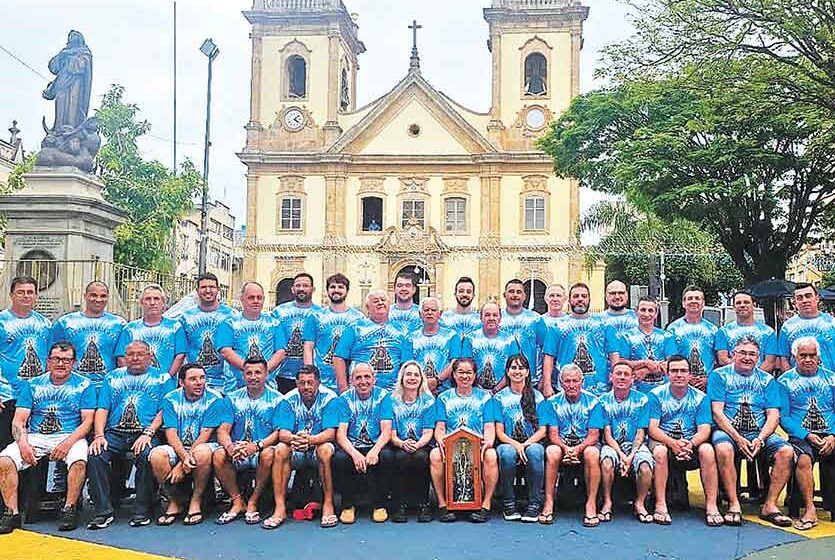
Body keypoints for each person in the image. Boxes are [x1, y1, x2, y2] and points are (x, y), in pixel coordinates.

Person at [0, 341, 95, 534]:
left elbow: (87, 422)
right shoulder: (32, 384)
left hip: (70, 434)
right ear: (48, 361)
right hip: (37, 435)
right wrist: (23, 444)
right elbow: (19, 420)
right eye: (56, 359)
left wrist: (67, 444)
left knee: (79, 461)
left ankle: (69, 508)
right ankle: (12, 512)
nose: (61, 364)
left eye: (66, 360)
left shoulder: (85, 385)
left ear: (74, 363)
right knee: (4, 460)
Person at [86, 341, 173, 529]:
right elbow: (103, 408)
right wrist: (99, 435)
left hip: (145, 432)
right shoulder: (112, 378)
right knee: (95, 455)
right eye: (130, 354)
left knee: (146, 456)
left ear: (150, 356)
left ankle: (143, 509)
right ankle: (103, 511)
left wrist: (148, 433)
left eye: (140, 354)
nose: (135, 358)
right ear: (124, 357)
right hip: (115, 432)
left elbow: (165, 409)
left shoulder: (163, 378)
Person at [709, 336, 794, 528]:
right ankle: (733, 503)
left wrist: (761, 438)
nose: (747, 358)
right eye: (743, 353)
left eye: (752, 354)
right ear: (733, 354)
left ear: (758, 357)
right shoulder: (719, 375)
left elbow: (773, 415)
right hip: (728, 431)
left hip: (759, 432)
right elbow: (717, 412)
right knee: (723, 449)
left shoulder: (767, 380)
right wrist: (738, 438)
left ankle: (770, 505)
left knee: (786, 451)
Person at [647, 355, 722, 526]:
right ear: (667, 374)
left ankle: (711, 505)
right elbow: (653, 428)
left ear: (690, 375)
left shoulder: (701, 398)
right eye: (674, 371)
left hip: (690, 444)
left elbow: (704, 430)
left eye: (683, 371)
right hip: (664, 442)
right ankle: (660, 504)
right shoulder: (656, 395)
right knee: (659, 451)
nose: (679, 375)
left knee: (707, 451)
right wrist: (672, 443)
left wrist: (690, 444)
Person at [149, 363, 225, 526]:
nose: (199, 382)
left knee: (202, 453)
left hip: (205, 445)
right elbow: (171, 432)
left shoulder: (215, 398)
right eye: (193, 379)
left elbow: (206, 434)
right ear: (182, 382)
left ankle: (195, 501)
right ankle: (174, 501)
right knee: (157, 455)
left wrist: (182, 463)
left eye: (202, 378)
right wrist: (183, 457)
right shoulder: (170, 399)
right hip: (179, 446)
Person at [213, 358, 282, 526]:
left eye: (258, 372)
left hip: (261, 448)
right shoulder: (231, 399)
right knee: (218, 454)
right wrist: (230, 447)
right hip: (238, 450)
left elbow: (279, 432)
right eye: (248, 373)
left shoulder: (278, 400)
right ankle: (237, 501)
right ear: (243, 376)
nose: (253, 377)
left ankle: (253, 501)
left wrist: (257, 446)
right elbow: (222, 430)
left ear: (266, 374)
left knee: (269, 453)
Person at [776, 337, 835, 531]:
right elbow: (783, 417)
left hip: (830, 433)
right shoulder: (784, 381)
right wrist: (806, 435)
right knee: (803, 459)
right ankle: (809, 509)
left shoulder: (832, 379)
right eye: (803, 356)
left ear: (819, 357)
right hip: (801, 436)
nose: (808, 359)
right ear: (794, 357)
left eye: (812, 355)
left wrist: (833, 435)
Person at [271, 364, 340, 529]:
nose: (306, 387)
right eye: (302, 383)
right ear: (296, 383)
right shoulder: (288, 399)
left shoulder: (330, 398)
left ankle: (328, 504)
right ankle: (279, 508)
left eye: (310, 382)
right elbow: (283, 433)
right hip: (297, 447)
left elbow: (331, 433)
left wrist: (310, 440)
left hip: (319, 446)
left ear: (318, 383)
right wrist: (296, 439)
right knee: (280, 449)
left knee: (325, 449)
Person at [430, 358, 498, 523]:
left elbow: (489, 428)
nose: (465, 376)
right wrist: (441, 441)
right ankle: (443, 505)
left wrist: (487, 443)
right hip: (451, 444)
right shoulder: (443, 398)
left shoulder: (485, 398)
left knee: (491, 455)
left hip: (478, 445)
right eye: (461, 372)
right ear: (453, 374)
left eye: (469, 372)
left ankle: (485, 504)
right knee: (434, 454)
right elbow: (440, 427)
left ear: (475, 375)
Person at [540, 364, 606, 527]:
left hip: (585, 445)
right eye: (567, 381)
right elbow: (553, 434)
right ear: (561, 383)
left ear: (582, 382)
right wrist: (566, 449)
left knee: (592, 453)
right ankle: (549, 502)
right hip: (561, 445)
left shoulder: (594, 402)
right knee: (552, 451)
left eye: (575, 381)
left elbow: (594, 435)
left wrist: (577, 449)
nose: (571, 385)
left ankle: (590, 504)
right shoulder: (552, 403)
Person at [332, 363, 393, 524]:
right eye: (358, 377)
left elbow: (386, 431)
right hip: (352, 445)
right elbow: (341, 435)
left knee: (386, 456)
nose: (363, 381)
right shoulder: (344, 399)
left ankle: (380, 505)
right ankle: (348, 506)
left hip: (375, 444)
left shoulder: (384, 396)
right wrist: (354, 453)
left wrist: (374, 450)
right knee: (340, 458)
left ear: (374, 379)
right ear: (351, 380)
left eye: (367, 377)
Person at [493, 354, 547, 523]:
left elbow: (543, 430)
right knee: (507, 454)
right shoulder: (499, 398)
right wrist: (517, 445)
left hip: (532, 441)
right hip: (507, 442)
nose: (517, 371)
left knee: (536, 452)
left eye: (521, 368)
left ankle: (535, 503)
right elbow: (499, 433)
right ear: (507, 372)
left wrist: (525, 444)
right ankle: (508, 502)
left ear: (527, 372)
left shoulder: (538, 397)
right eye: (513, 368)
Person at [597, 362, 653, 523]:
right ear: (611, 377)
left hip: (635, 444)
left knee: (645, 465)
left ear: (632, 379)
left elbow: (641, 432)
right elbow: (607, 435)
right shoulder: (603, 401)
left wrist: (631, 456)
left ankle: (640, 503)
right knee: (607, 462)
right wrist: (622, 456)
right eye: (618, 373)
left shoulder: (642, 400)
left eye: (626, 374)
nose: (622, 377)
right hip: (612, 444)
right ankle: (607, 501)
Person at [0, 276, 52, 450]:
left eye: (30, 292)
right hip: (8, 395)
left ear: (36, 296)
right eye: (20, 292)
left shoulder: (45, 324)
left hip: (38, 396)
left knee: (37, 448)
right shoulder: (2, 322)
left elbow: (50, 359)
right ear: (11, 295)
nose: (25, 296)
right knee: (6, 449)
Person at [542, 283, 620, 397]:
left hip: (599, 390)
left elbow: (614, 354)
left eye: (584, 296)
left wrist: (616, 381)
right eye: (576, 296)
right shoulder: (556, 326)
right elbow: (549, 356)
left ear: (589, 299)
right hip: (565, 390)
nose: (580, 299)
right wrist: (547, 385)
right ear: (569, 300)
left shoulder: (604, 325)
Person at [384, 361, 435, 523]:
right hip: (398, 443)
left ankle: (423, 504)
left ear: (421, 379)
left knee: (421, 457)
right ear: (401, 378)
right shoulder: (390, 401)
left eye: (416, 375)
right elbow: (390, 433)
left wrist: (417, 444)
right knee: (400, 457)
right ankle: (400, 504)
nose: (412, 378)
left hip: (421, 443)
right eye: (408, 374)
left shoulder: (428, 401)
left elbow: (428, 432)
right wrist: (402, 443)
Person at [51, 280, 125, 390]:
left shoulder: (119, 324)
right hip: (73, 387)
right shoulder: (65, 323)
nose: (98, 299)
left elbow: (122, 360)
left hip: (107, 387)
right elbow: (53, 357)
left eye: (103, 296)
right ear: (85, 296)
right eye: (93, 295)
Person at [333, 290, 409, 392]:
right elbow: (339, 358)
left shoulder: (402, 331)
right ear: (367, 307)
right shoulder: (355, 328)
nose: (380, 303)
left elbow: (407, 364)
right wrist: (343, 388)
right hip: (359, 391)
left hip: (392, 392)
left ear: (389, 304)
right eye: (375, 301)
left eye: (383, 300)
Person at [215, 282, 285, 391]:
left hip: (267, 388)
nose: (256, 301)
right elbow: (225, 351)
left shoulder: (275, 324)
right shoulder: (228, 324)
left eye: (259, 297)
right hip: (235, 388)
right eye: (251, 298)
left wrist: (263, 371)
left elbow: (280, 352)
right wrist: (250, 370)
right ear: (242, 299)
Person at [302, 273, 363, 393]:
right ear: (327, 290)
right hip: (322, 379)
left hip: (349, 379)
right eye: (333, 287)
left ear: (347, 291)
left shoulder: (358, 318)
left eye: (340, 287)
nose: (336, 290)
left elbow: (360, 350)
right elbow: (308, 347)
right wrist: (310, 374)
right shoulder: (316, 316)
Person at [179, 272, 238, 393]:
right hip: (195, 382)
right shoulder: (186, 318)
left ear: (218, 290)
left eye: (211, 287)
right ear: (197, 290)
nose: (208, 290)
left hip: (225, 384)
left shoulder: (232, 316)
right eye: (203, 287)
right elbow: (181, 351)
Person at [115, 284, 186, 378]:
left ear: (163, 302)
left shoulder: (175, 327)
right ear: (141, 302)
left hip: (167, 385)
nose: (152, 303)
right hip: (137, 385)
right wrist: (133, 378)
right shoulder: (130, 329)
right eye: (148, 299)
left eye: (156, 299)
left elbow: (180, 355)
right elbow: (121, 357)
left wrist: (167, 377)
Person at [273, 272, 322, 394]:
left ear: (313, 289)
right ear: (292, 289)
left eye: (305, 285)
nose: (301, 288)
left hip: (309, 378)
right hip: (282, 375)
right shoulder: (278, 312)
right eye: (298, 285)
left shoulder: (321, 314)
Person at [620, 297, 676, 393]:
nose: (646, 314)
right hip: (635, 391)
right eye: (643, 310)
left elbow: (672, 364)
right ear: (636, 312)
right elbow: (622, 362)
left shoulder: (666, 336)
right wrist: (645, 363)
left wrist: (646, 371)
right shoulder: (626, 336)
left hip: (663, 392)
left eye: (650, 310)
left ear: (655, 314)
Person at [666, 285, 717, 390]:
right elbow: (670, 358)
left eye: (697, 298)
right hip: (680, 384)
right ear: (683, 303)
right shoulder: (672, 329)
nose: (693, 301)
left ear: (703, 303)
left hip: (707, 385)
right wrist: (686, 377)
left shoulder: (713, 330)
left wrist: (708, 379)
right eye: (690, 298)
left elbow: (719, 359)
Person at [407, 297, 461, 393]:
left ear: (440, 314)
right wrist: (422, 384)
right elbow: (407, 365)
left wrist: (437, 380)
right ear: (420, 314)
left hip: (445, 391)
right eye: (426, 310)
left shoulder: (451, 336)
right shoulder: (410, 338)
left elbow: (454, 362)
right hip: (418, 391)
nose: (430, 312)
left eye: (433, 310)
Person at [463, 302, 520, 392]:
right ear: (481, 318)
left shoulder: (510, 340)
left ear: (500, 318)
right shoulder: (470, 339)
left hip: (503, 391)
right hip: (475, 391)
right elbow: (466, 367)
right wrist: (478, 388)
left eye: (495, 315)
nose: (491, 318)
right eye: (487, 315)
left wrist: (497, 389)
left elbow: (514, 367)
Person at [777, 283, 835, 372]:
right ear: (794, 302)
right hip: (799, 383)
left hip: (830, 382)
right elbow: (784, 358)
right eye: (800, 298)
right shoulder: (787, 327)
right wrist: (790, 382)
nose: (804, 300)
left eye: (808, 296)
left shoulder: (832, 323)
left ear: (817, 298)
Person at [716, 290, 777, 371]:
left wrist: (754, 377)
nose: (742, 305)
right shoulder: (723, 331)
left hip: (759, 381)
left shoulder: (768, 332)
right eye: (738, 303)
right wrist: (743, 371)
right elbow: (723, 360)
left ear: (754, 305)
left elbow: (769, 362)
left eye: (746, 302)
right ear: (734, 307)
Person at [500, 279, 545, 386]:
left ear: (525, 296)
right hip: (501, 380)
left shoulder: (536, 319)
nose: (515, 295)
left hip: (530, 380)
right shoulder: (497, 318)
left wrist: (543, 379)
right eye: (511, 291)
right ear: (504, 295)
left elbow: (545, 350)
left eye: (519, 292)